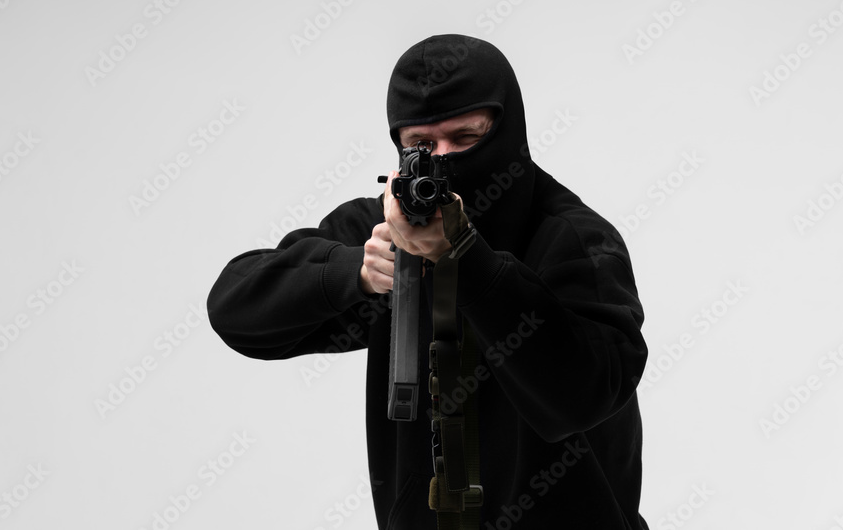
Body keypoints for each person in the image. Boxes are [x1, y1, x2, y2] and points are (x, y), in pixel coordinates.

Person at [207, 34, 649, 529]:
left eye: (465, 139)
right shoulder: (385, 231)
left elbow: (584, 394)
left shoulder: (572, 238)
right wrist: (351, 272)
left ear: (506, 131)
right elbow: (234, 307)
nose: (443, 161)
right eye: (422, 146)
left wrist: (466, 261)